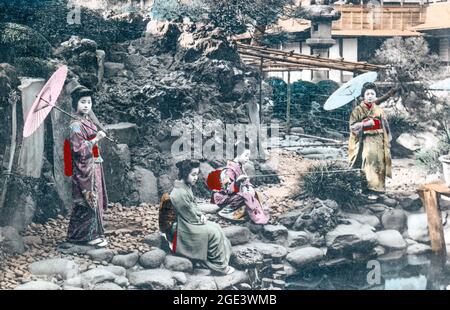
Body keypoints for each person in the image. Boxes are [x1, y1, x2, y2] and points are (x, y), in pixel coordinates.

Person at [169, 159, 234, 275]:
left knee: (216, 227)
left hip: (189, 219)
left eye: (196, 175)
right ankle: (219, 265)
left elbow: (193, 207)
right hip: (184, 226)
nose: (195, 178)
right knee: (212, 232)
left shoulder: (185, 186)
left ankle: (221, 259)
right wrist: (200, 219)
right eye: (193, 175)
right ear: (185, 174)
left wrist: (201, 216)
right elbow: (189, 214)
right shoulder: (179, 192)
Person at [65, 85, 109, 247]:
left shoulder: (87, 121)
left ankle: (95, 233)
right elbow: (78, 149)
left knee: (96, 199)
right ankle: (83, 236)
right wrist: (96, 139)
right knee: (87, 200)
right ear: (75, 104)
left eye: (89, 102)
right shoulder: (75, 125)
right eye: (82, 102)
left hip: (93, 164)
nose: (86, 105)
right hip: (84, 167)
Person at [348, 82, 393, 200]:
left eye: (372, 93)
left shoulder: (379, 110)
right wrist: (365, 124)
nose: (370, 96)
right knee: (368, 162)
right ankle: (368, 190)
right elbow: (352, 127)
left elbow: (386, 126)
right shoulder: (357, 110)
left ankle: (380, 190)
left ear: (376, 96)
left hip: (379, 139)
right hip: (366, 140)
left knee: (380, 163)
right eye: (367, 93)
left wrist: (379, 124)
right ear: (363, 96)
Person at [211, 148, 269, 225]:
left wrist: (249, 187)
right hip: (225, 197)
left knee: (255, 194)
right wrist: (237, 181)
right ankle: (225, 212)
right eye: (246, 155)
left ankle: (250, 213)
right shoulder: (228, 170)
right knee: (245, 197)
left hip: (237, 194)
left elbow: (246, 182)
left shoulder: (240, 166)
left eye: (248, 156)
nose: (247, 158)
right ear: (238, 154)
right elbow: (227, 190)